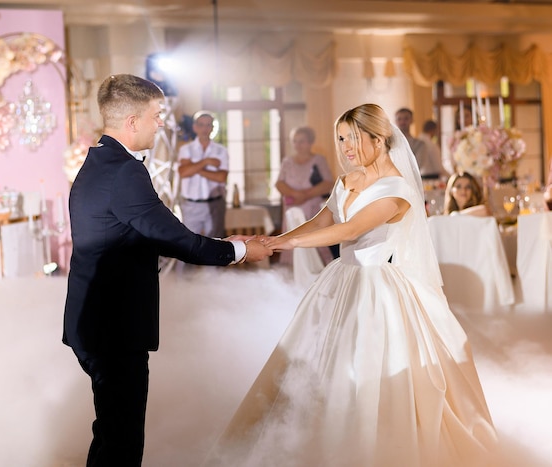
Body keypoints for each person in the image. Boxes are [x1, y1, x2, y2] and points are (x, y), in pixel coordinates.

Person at [204, 104, 498, 467]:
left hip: (377, 287)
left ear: (380, 138)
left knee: (368, 366)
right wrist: (270, 238)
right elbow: (320, 221)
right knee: (315, 362)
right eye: (341, 138)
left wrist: (277, 246)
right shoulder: (349, 180)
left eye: (354, 139)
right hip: (340, 279)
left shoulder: (399, 190)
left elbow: (350, 229)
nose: (345, 147)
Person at [63, 74, 272, 467]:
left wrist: (226, 243)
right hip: (113, 328)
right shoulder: (125, 172)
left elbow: (147, 233)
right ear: (132, 122)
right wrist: (241, 250)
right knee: (122, 443)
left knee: (110, 432)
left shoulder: (98, 163)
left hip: (93, 321)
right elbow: (177, 240)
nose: (162, 123)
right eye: (157, 115)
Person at [275, 126, 336, 263]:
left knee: (314, 243)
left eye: (301, 141)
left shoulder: (319, 160)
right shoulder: (287, 162)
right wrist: (294, 194)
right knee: (292, 242)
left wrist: (306, 196)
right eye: (295, 141)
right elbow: (279, 183)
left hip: (312, 209)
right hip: (292, 208)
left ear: (310, 142)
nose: (298, 145)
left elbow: (328, 183)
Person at [178, 110, 229, 238]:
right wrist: (206, 162)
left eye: (208, 125)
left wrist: (194, 167)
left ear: (212, 128)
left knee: (216, 242)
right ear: (195, 127)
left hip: (215, 204)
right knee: (188, 244)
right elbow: (183, 173)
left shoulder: (221, 151)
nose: (205, 128)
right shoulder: (186, 149)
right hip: (191, 205)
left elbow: (221, 177)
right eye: (201, 125)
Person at [395, 107, 428, 171]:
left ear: (412, 120)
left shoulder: (420, 145)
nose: (402, 122)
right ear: (395, 121)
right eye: (399, 119)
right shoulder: (388, 143)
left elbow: (417, 166)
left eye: (406, 118)